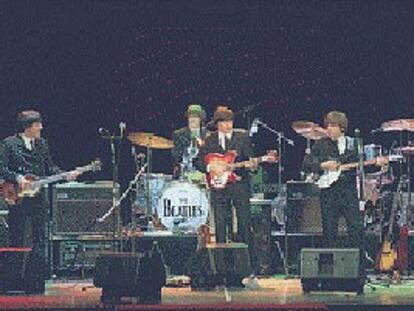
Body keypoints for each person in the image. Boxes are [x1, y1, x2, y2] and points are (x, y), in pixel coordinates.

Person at [0, 110, 79, 294]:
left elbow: (49, 167)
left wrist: (65, 175)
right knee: (16, 236)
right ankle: (14, 279)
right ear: (27, 127)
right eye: (37, 125)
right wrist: (18, 178)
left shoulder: (42, 144)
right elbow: (1, 168)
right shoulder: (9, 144)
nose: (41, 128)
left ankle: (36, 279)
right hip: (17, 197)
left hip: (38, 198)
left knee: (40, 238)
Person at [196, 106, 259, 275]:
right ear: (217, 124)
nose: (228, 125)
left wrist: (253, 166)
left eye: (230, 121)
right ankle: (221, 267)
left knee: (245, 223)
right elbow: (198, 162)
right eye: (224, 122)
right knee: (221, 224)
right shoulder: (210, 140)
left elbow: (250, 159)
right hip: (219, 187)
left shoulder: (243, 137)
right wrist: (211, 166)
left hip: (239, 185)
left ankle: (249, 266)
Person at [172, 104, 207, 180]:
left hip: (202, 173)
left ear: (200, 119)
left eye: (196, 117)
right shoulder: (178, 134)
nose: (193, 119)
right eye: (191, 116)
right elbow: (176, 155)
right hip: (184, 171)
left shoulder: (207, 134)